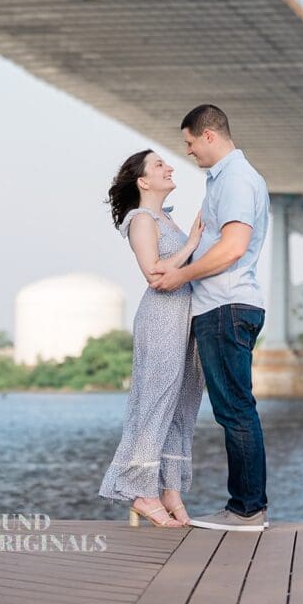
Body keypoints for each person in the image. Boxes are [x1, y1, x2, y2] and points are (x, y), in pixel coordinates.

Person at [150, 104, 270, 531]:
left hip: (225, 306)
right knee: (235, 409)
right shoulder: (226, 179)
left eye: (189, 142)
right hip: (226, 306)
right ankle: (247, 507)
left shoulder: (235, 179)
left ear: (209, 136)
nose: (188, 152)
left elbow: (233, 247)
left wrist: (180, 275)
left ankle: (247, 510)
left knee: (235, 410)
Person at [98, 149, 206, 527]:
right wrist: (192, 244)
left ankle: (169, 489)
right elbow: (153, 272)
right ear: (143, 181)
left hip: (185, 318)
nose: (169, 167)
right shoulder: (141, 219)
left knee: (182, 404)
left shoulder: (166, 219)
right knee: (156, 401)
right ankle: (142, 492)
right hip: (161, 318)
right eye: (160, 164)